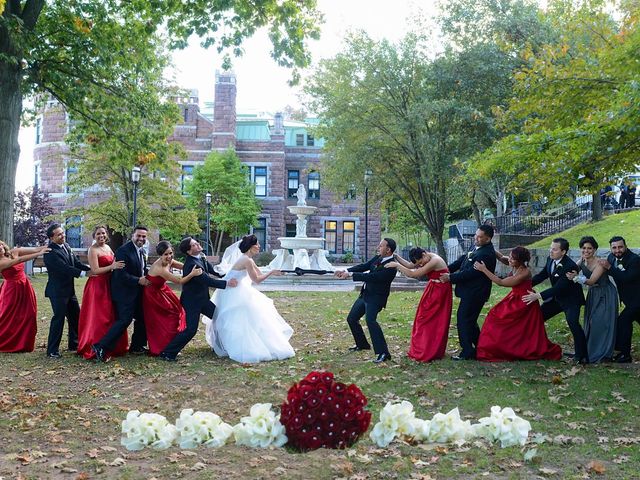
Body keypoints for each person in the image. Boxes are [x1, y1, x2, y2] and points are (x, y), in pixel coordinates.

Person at [203, 234, 294, 363]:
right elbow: (257, 280)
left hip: (233, 290)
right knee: (241, 316)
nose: (259, 246)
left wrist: (272, 270)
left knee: (251, 313)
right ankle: (238, 344)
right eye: (257, 244)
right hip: (233, 292)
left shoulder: (247, 258)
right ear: (251, 247)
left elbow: (259, 272)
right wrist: (271, 272)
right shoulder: (247, 260)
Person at [474, 247, 562, 362]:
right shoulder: (515, 264)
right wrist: (490, 246)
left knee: (506, 322)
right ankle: (499, 347)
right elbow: (501, 258)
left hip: (524, 301)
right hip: (514, 297)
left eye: (513, 258)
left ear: (520, 261)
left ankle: (510, 349)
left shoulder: (524, 272)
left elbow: (500, 282)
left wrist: (483, 269)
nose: (510, 260)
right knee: (496, 317)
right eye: (510, 256)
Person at [159, 236, 238, 362]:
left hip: (203, 300)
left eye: (196, 243)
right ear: (189, 251)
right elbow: (208, 280)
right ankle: (168, 352)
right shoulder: (192, 265)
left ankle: (220, 346)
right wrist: (227, 283)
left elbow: (212, 271)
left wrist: (227, 274)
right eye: (194, 244)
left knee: (219, 317)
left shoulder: (201, 257)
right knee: (191, 330)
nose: (198, 245)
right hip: (192, 303)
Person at [523, 238, 588, 364]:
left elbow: (559, 288)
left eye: (554, 249)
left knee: (573, 323)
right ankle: (537, 347)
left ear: (563, 252)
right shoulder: (550, 259)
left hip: (571, 300)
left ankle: (582, 355)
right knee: (538, 317)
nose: (551, 251)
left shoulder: (570, 266)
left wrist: (538, 295)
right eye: (550, 248)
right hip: (557, 299)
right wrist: (526, 285)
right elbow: (542, 275)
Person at [92, 226, 151, 362]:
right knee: (124, 320)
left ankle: (137, 346)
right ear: (132, 236)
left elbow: (141, 269)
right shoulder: (123, 251)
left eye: (144, 236)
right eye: (139, 236)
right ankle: (100, 346)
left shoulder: (141, 251)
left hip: (136, 291)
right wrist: (138, 280)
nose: (141, 238)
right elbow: (120, 275)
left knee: (142, 317)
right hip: (123, 293)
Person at [335, 238, 398, 363]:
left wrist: (351, 276)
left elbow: (373, 277)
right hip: (365, 295)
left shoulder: (392, 266)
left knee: (371, 321)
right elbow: (364, 266)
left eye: (381, 246)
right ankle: (362, 344)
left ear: (388, 249)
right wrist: (346, 271)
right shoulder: (377, 258)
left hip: (376, 298)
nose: (378, 248)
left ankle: (384, 353)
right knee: (352, 318)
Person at [439, 225, 497, 360]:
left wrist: (450, 278)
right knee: (470, 321)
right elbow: (462, 261)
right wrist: (446, 269)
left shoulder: (486, 253)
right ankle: (480, 346)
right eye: (475, 235)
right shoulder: (476, 246)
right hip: (469, 292)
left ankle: (467, 351)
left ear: (488, 239)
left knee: (463, 320)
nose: (475, 238)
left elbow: (471, 273)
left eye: (479, 236)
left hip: (476, 293)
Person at [385, 247, 452, 362]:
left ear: (424, 254)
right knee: (422, 319)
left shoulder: (435, 260)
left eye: (421, 262)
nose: (420, 264)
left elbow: (413, 273)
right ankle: (423, 348)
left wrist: (396, 266)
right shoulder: (425, 257)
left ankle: (429, 351)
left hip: (440, 291)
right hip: (433, 289)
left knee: (432, 321)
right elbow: (411, 265)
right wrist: (396, 256)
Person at [143, 241, 202, 356]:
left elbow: (184, 266)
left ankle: (171, 345)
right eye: (165, 254)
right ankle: (163, 348)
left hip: (162, 290)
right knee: (165, 319)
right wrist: (192, 274)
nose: (169, 256)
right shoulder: (160, 268)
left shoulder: (169, 261)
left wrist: (196, 265)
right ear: (160, 255)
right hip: (153, 294)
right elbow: (179, 281)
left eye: (170, 253)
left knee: (176, 312)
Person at [77, 226, 126, 360]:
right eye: (98, 234)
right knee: (99, 316)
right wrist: (112, 266)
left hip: (109, 284)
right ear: (94, 236)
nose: (101, 236)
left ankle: (111, 344)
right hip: (98, 285)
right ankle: (95, 344)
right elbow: (95, 270)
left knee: (111, 314)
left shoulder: (108, 248)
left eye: (103, 233)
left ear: (106, 235)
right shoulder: (92, 250)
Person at [566, 236, 618, 363]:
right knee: (590, 322)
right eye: (584, 248)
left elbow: (591, 281)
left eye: (589, 248)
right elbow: (570, 270)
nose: (586, 251)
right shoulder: (581, 261)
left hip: (605, 294)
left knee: (600, 322)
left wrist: (576, 277)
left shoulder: (600, 263)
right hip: (593, 294)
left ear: (594, 250)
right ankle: (586, 351)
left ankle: (602, 353)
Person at [43, 223, 91, 358]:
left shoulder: (66, 246)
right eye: (59, 234)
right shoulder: (50, 252)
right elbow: (64, 268)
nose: (63, 235)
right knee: (58, 319)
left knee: (76, 316)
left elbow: (76, 263)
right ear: (51, 238)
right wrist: (84, 274)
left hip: (69, 291)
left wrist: (92, 269)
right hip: (57, 292)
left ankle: (74, 344)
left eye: (62, 233)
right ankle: (52, 351)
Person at [0, 242, 49, 352]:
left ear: (2, 245)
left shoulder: (14, 252)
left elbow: (35, 249)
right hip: (12, 290)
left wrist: (45, 248)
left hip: (24, 286)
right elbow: (18, 261)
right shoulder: (1, 263)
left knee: (29, 314)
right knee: (8, 317)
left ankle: (24, 343)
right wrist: (39, 254)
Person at [598, 236, 640, 363]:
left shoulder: (635, 260)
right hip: (629, 299)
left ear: (625, 246)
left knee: (623, 321)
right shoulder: (611, 258)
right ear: (611, 248)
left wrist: (610, 268)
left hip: (638, 299)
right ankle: (616, 348)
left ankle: (625, 354)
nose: (617, 250)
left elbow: (626, 278)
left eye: (620, 247)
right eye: (614, 247)